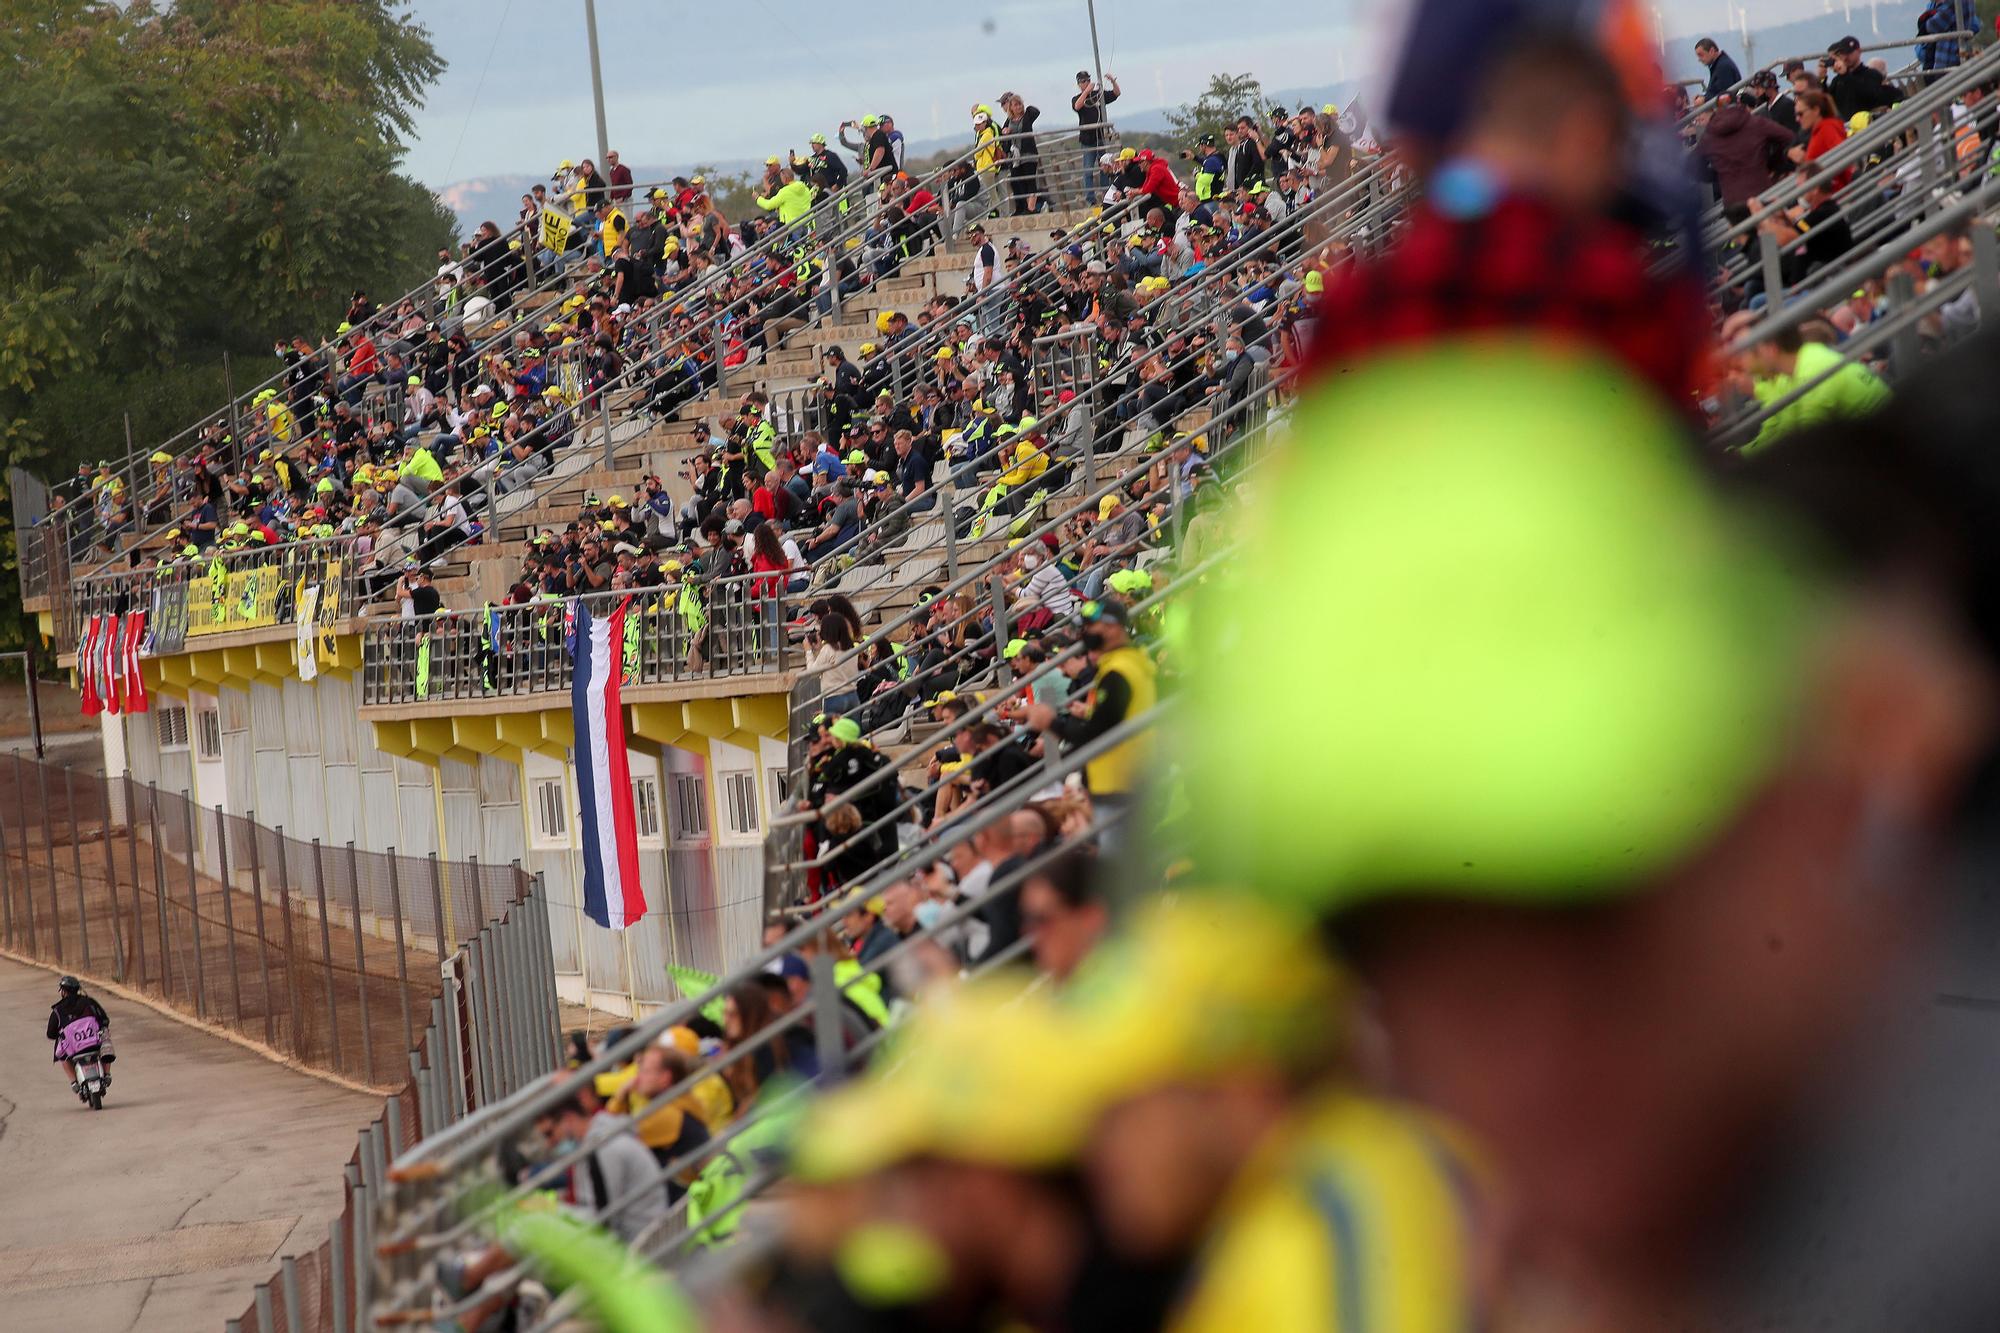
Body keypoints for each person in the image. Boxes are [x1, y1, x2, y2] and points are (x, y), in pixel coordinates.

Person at [1740, 323, 1890, 452]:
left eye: (1745, 351)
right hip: (1869, 440)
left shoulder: (1812, 368)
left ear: (1771, 349)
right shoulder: (1794, 369)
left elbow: (1807, 443)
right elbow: (1787, 430)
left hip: (1887, 441)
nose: (1741, 359)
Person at [1696, 95, 1796, 218]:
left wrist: (1718, 174)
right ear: (1738, 103)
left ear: (1716, 110)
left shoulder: (1710, 136)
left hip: (1733, 204)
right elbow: (1789, 137)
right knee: (1769, 235)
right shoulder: (1755, 123)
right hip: (1761, 194)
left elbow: (1691, 167)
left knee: (1744, 236)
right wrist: (1772, 163)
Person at [48, 975, 110, 1093]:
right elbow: (104, 1019)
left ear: (63, 991)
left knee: (60, 1053)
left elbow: (50, 1033)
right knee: (106, 1042)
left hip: (74, 1049)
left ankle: (74, 1082)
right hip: (94, 1044)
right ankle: (107, 1074)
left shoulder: (58, 1010)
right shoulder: (89, 1002)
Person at [1073, 70, 1121, 195]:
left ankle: (1106, 194)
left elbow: (1116, 93)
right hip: (1087, 140)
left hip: (1101, 137)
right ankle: (1090, 199)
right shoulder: (1077, 98)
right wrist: (1087, 91)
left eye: (1088, 80)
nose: (1087, 82)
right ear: (1079, 84)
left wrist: (1112, 81)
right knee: (1088, 170)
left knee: (1105, 168)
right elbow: (1077, 106)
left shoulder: (1098, 95)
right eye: (1083, 81)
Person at [1695, 36, 1744, 101]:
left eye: (1701, 55)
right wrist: (1703, 97)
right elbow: (1716, 92)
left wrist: (1704, 99)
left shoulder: (1723, 67)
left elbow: (1725, 94)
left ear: (1712, 51)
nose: (1699, 59)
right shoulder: (1719, 65)